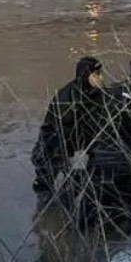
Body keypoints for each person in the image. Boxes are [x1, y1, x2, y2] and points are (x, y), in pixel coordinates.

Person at [32, 56, 106, 193]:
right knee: (47, 187)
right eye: (96, 74)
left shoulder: (97, 93)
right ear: (86, 75)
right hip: (56, 150)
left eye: (101, 73)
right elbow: (54, 137)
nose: (101, 78)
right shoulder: (66, 101)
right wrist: (75, 159)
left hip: (81, 147)